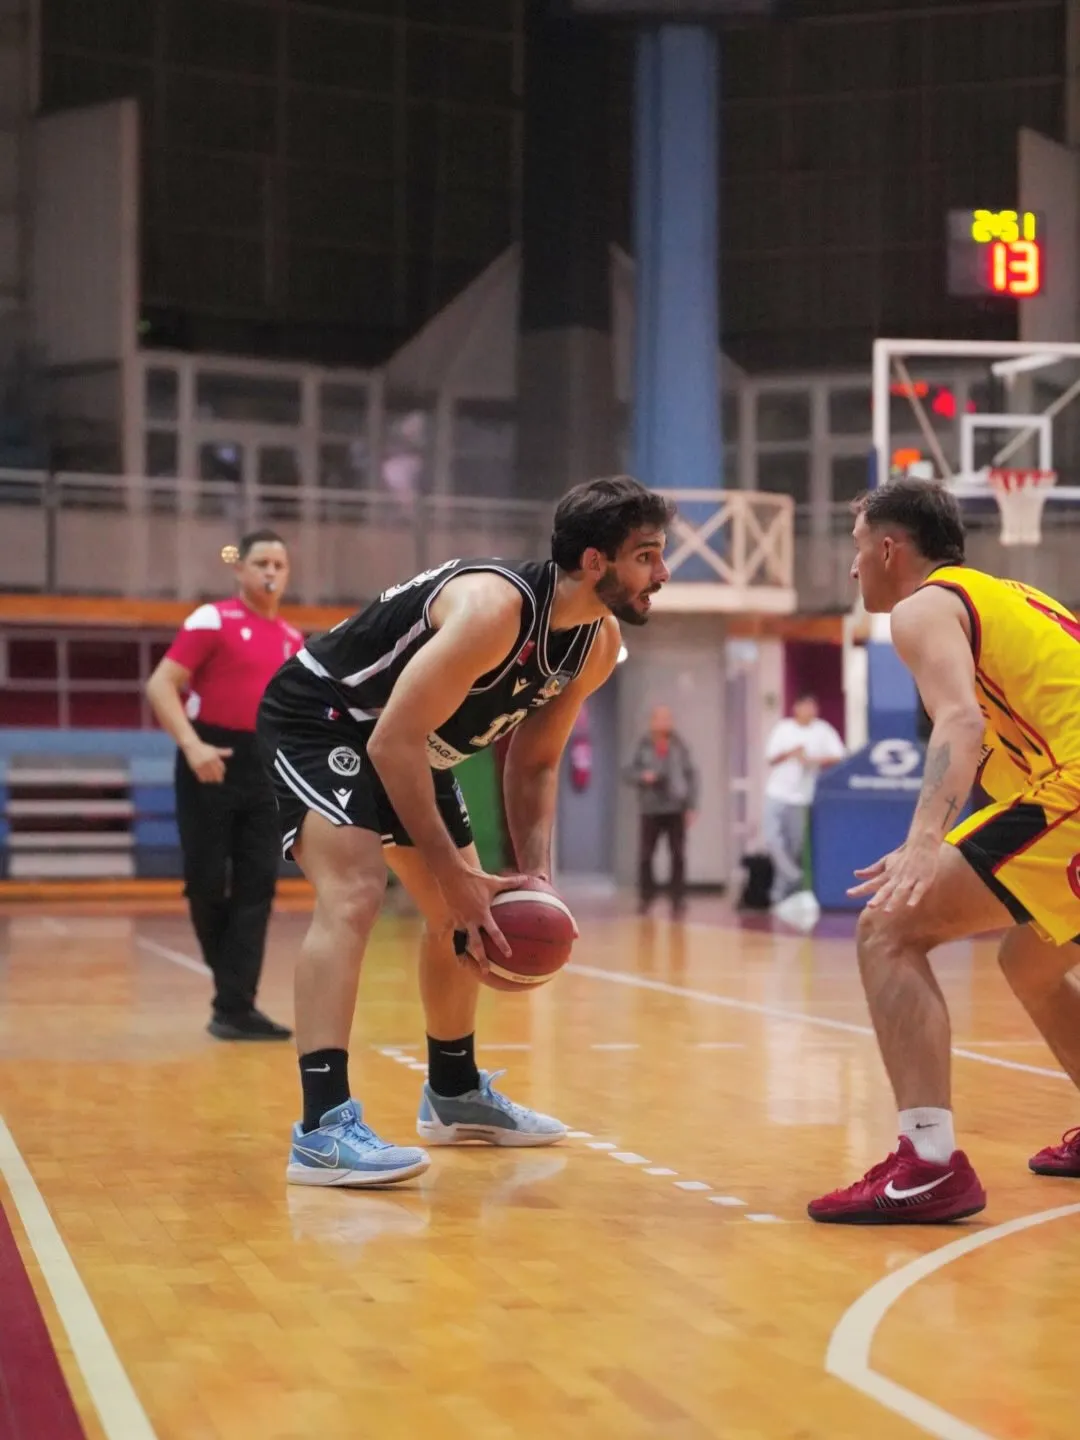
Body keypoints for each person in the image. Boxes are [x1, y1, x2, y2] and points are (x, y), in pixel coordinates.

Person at [256, 475, 674, 1187]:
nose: (661, 575)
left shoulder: (595, 644)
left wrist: (536, 874)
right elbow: (389, 743)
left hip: (414, 744)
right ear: (597, 562)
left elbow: (536, 763)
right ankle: (322, 1129)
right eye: (647, 556)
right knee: (356, 889)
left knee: (463, 917)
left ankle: (453, 1095)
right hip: (324, 717)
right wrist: (451, 871)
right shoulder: (493, 611)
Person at [809, 477, 1080, 1224]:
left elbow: (961, 724)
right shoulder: (1010, 599)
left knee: (889, 930)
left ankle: (927, 1164)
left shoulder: (924, 607)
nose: (854, 566)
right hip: (1064, 785)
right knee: (1028, 959)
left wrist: (926, 841)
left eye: (858, 547)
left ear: (890, 548)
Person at [146, 531, 302, 1041]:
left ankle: (236, 1008)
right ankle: (232, 996)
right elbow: (160, 685)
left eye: (279, 563)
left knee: (259, 884)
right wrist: (193, 748)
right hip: (208, 760)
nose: (271, 572)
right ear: (240, 570)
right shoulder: (212, 619)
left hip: (263, 767)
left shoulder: (292, 640)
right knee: (207, 882)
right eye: (261, 562)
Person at [763, 693, 845, 905]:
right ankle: (793, 877)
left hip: (802, 796)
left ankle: (779, 894)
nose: (810, 711)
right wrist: (792, 753)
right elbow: (771, 758)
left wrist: (812, 760)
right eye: (806, 707)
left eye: (813, 707)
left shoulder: (823, 730)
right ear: (796, 708)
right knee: (772, 838)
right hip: (777, 792)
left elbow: (839, 756)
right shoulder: (784, 729)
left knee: (795, 845)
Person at [624, 705, 698, 916]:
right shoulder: (642, 745)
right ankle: (646, 896)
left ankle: (678, 898)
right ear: (652, 722)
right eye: (659, 719)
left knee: (678, 854)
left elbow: (692, 775)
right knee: (646, 854)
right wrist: (642, 777)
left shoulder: (680, 745)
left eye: (667, 718)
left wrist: (691, 805)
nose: (664, 723)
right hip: (651, 807)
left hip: (676, 806)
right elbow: (628, 771)